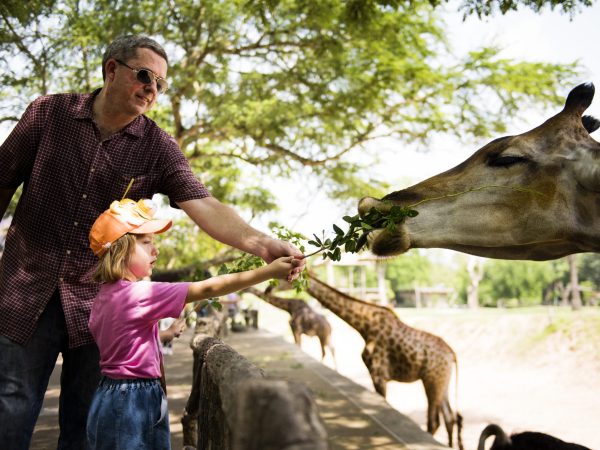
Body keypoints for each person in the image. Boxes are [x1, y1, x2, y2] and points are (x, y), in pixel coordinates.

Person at [0, 34, 304, 449]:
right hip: (23, 294)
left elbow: (203, 202)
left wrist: (262, 244)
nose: (152, 89)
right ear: (111, 70)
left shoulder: (159, 147)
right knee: (8, 414)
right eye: (145, 76)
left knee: (85, 431)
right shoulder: (48, 114)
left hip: (99, 306)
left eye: (160, 83)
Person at [85, 198, 294, 449]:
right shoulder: (140, 294)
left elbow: (125, 346)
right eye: (147, 242)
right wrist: (267, 272)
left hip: (108, 393)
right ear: (120, 250)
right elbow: (209, 287)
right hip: (133, 399)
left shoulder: (104, 295)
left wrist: (167, 333)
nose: (156, 250)